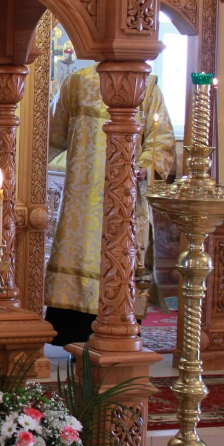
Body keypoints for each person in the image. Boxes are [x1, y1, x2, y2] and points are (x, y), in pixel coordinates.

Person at [44, 64, 175, 347]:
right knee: (80, 254)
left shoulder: (146, 84)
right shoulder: (77, 83)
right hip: (82, 195)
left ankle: (121, 337)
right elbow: (51, 136)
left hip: (126, 193)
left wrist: (146, 165)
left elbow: (161, 138)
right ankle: (74, 336)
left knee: (122, 258)